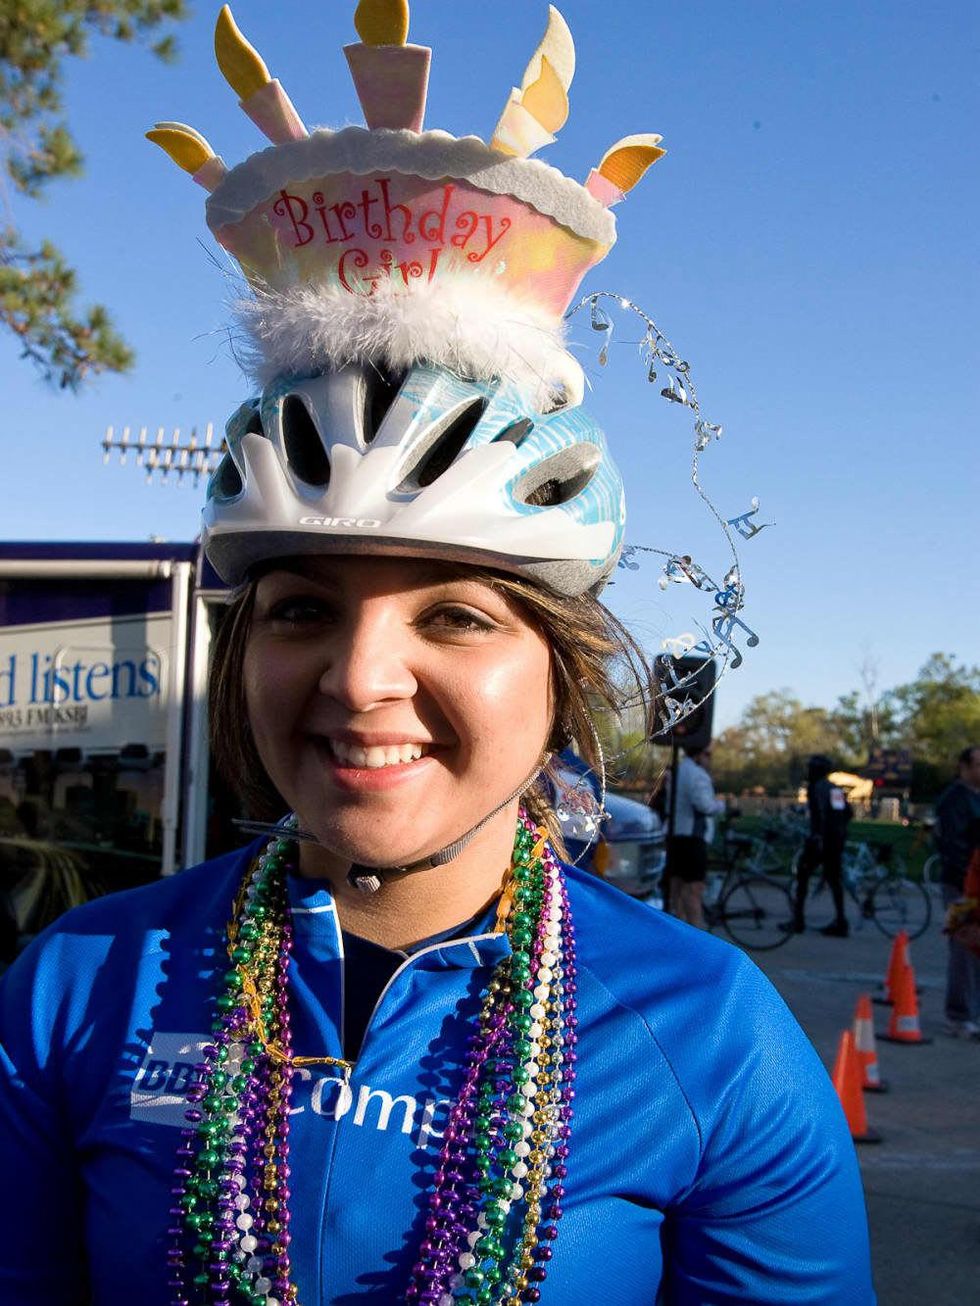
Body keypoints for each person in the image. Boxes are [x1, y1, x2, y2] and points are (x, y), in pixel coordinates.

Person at [0, 5, 875, 1303]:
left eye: (455, 613)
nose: (360, 677)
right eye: (301, 609)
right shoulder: (76, 985)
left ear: (560, 666)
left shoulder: (708, 1035)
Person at [934, 745, 980, 1037]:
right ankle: (960, 1014)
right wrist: (967, 889)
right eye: (978, 763)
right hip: (962, 884)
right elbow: (952, 845)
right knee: (964, 948)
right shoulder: (954, 799)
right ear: (963, 766)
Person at [786, 755, 853, 936]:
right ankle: (841, 921)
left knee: (803, 875)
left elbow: (823, 815)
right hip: (835, 842)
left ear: (817, 770)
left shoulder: (815, 788)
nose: (808, 771)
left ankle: (798, 920)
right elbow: (847, 813)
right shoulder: (834, 789)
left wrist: (819, 837)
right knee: (834, 881)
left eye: (810, 768)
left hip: (820, 841)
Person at [665, 745, 725, 928]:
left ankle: (679, 931)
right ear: (700, 755)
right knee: (694, 889)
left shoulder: (678, 771)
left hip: (675, 835)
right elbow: (704, 806)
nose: (709, 760)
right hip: (693, 838)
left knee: (677, 888)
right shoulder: (697, 775)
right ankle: (697, 934)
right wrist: (721, 806)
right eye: (708, 754)